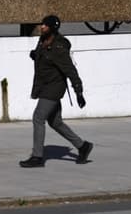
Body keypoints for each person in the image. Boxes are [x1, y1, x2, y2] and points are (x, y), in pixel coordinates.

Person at [19, 15, 93, 168]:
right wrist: (35, 56)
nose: (42, 27)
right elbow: (46, 59)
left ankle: (37, 157)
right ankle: (82, 146)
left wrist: (79, 91)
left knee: (38, 117)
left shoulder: (59, 47)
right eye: (42, 24)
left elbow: (70, 70)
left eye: (45, 25)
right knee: (55, 122)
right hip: (45, 85)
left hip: (54, 87)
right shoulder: (43, 40)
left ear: (52, 28)